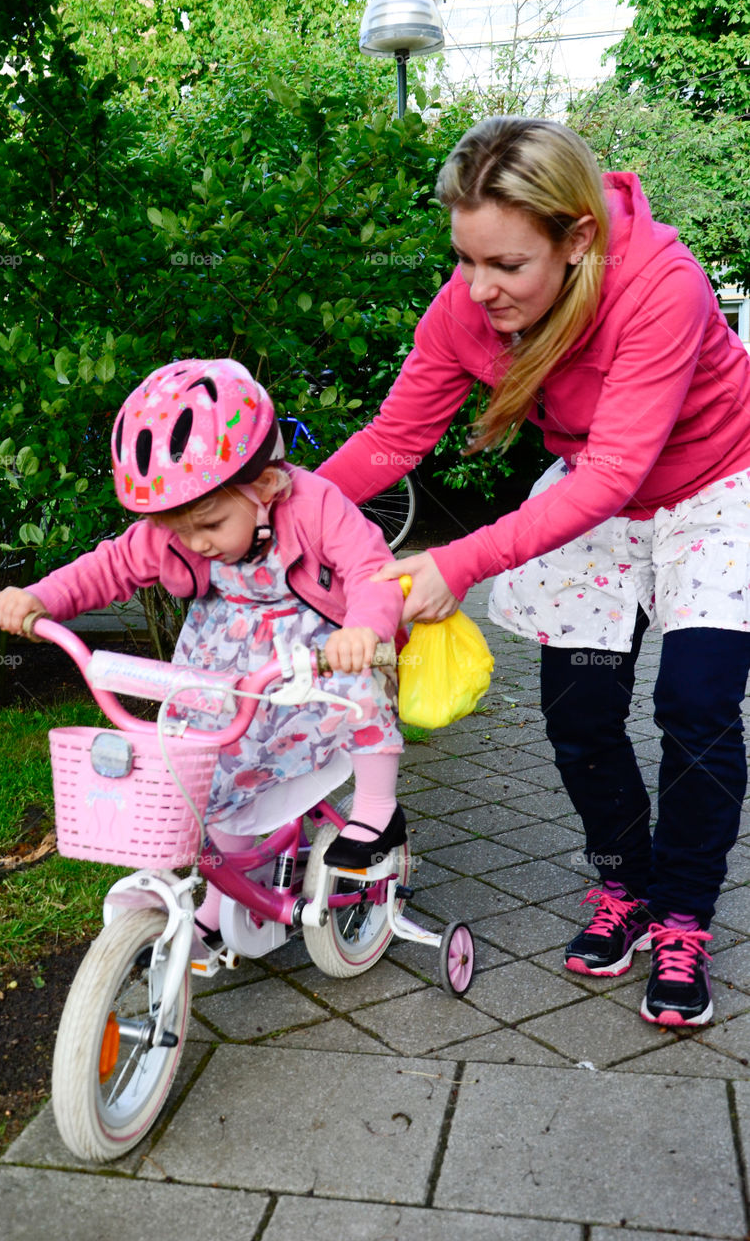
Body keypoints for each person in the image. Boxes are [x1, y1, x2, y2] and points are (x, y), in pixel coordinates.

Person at [316, 115, 750, 1029]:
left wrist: (459, 562)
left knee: (696, 707)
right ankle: (625, 889)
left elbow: (616, 471)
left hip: (714, 490)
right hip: (596, 496)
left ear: (576, 237)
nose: (477, 289)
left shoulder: (658, 287)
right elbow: (396, 436)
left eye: (505, 265)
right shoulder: (467, 304)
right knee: (580, 712)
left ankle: (682, 919)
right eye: (465, 260)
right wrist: (283, 510)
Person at [0, 358, 407, 963]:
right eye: (178, 530)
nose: (193, 542)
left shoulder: (316, 505)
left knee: (364, 679)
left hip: (314, 661)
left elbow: (372, 570)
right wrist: (39, 598)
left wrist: (364, 628)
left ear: (265, 486)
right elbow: (109, 567)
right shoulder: (175, 531)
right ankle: (216, 902)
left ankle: (375, 810)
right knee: (210, 773)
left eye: (209, 525)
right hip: (224, 673)